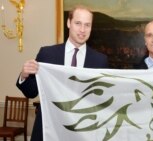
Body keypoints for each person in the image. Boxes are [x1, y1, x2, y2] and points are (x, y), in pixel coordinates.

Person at [16, 5, 108, 141]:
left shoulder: (100, 61)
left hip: (83, 132)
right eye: (78, 23)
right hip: (48, 130)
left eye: (87, 25)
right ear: (69, 23)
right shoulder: (47, 54)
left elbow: (101, 101)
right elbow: (32, 92)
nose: (83, 30)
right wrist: (24, 75)